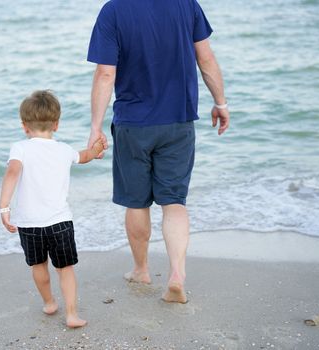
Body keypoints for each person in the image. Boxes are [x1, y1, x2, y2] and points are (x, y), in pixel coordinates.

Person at [86, 0, 230, 303]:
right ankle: (177, 274)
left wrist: (95, 127)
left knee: (136, 202)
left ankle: (141, 270)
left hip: (133, 124)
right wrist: (221, 103)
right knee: (174, 202)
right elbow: (206, 58)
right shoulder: (186, 4)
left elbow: (105, 74)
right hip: (178, 120)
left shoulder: (114, 11)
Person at [0, 90, 104, 328]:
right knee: (65, 269)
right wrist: (97, 148)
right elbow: (85, 156)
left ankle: (49, 303)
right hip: (60, 222)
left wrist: (4, 207)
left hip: (29, 224)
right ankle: (72, 314)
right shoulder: (64, 149)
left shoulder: (20, 148)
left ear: (24, 126)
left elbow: (12, 172)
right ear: (56, 124)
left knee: (39, 266)